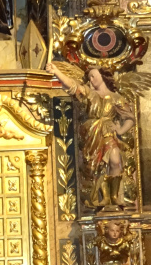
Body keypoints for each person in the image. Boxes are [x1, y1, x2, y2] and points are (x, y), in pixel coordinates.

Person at [46, 63, 135, 209]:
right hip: (91, 134)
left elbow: (130, 118)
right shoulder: (89, 93)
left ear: (102, 76)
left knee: (115, 160)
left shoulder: (116, 98)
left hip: (107, 132)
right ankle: (103, 197)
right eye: (89, 77)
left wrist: (120, 131)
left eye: (93, 76)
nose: (91, 80)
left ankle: (113, 196)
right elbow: (72, 85)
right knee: (95, 168)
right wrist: (56, 72)